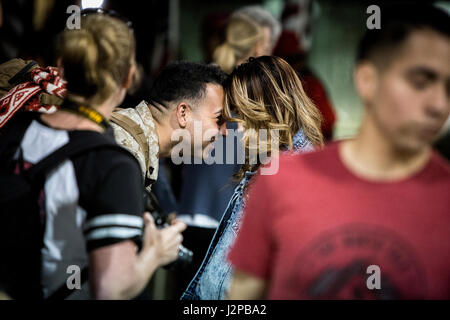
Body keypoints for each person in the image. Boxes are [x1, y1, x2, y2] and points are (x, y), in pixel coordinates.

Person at [227, 5, 450, 299]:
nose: (439, 105)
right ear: (367, 80)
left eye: (449, 88)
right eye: (421, 81)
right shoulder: (281, 180)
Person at [0, 11, 186, 299]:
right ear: (128, 77)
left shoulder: (16, 128)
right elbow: (110, 289)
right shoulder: (114, 164)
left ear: (62, 67)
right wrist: (155, 252)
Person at [181, 55, 323, 300]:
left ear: (267, 110)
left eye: (239, 114)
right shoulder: (267, 163)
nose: (232, 129)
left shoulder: (299, 176)